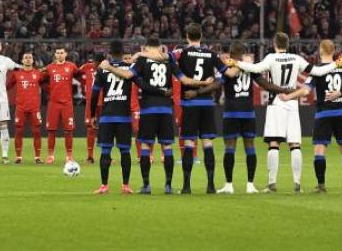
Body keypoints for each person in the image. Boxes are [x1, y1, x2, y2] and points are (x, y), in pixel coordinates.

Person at [226, 32, 342, 194]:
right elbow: (317, 72)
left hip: (276, 101)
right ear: (288, 44)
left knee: (274, 143)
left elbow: (255, 68)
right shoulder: (296, 58)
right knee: (295, 144)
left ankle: (272, 184)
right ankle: (297, 184)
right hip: (291, 102)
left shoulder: (271, 58)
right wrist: (337, 64)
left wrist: (236, 62)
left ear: (275, 44)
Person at [100, 38, 174, 194]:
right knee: (166, 147)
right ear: (161, 47)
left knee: (145, 146)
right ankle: (168, 186)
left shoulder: (141, 61)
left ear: (146, 47)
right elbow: (182, 78)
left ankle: (146, 185)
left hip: (147, 109)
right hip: (166, 108)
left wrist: (109, 67)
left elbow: (128, 75)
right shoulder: (170, 59)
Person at [213, 42, 287, 194]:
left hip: (231, 112)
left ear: (231, 54)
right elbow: (265, 84)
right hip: (248, 112)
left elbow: (218, 84)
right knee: (250, 147)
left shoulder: (226, 68)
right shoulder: (250, 68)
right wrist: (283, 89)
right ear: (243, 53)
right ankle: (250, 185)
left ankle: (228, 185)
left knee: (229, 147)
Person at [170, 23, 227, 194]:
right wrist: (205, 87)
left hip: (189, 105)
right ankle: (210, 186)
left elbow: (166, 58)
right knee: (207, 144)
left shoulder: (182, 53)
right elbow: (223, 76)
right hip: (207, 104)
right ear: (201, 36)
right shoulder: (211, 54)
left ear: (187, 35)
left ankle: (186, 186)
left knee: (188, 143)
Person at [305, 40, 342, 193]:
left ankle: (321, 186)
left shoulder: (317, 70)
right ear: (334, 51)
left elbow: (307, 89)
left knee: (320, 150)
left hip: (323, 114)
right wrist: (341, 93)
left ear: (321, 50)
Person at [89, 40, 135, 195]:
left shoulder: (102, 70)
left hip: (107, 116)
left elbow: (94, 94)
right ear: (123, 53)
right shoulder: (130, 68)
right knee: (125, 151)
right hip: (124, 116)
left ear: (109, 53)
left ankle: (104, 186)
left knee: (105, 151)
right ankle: (126, 185)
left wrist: (92, 115)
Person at [40, 46, 78, 164]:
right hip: (54, 103)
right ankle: (51, 156)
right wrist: (49, 90)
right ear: (55, 55)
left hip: (67, 103)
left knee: (69, 131)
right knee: (51, 130)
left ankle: (69, 156)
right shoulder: (50, 68)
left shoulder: (71, 66)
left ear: (65, 54)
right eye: (58, 53)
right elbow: (40, 80)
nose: (60, 55)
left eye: (62, 53)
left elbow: (80, 77)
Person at [9, 52, 45, 164]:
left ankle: (37, 157)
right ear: (22, 60)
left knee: (37, 131)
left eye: (30, 58)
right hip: (21, 108)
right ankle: (18, 157)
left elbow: (47, 85)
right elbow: (7, 86)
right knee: (19, 131)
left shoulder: (38, 74)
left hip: (34, 108)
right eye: (26, 58)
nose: (28, 60)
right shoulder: (16, 74)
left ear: (33, 60)